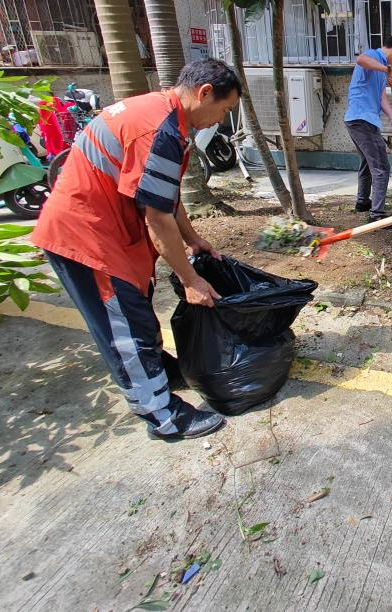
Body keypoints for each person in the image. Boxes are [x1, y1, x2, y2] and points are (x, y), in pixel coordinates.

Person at [32, 60, 242, 442]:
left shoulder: (167, 118)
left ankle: (158, 370)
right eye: (224, 111)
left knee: (137, 310)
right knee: (126, 330)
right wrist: (189, 279)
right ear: (205, 93)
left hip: (110, 231)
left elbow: (166, 196)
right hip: (86, 239)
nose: (218, 121)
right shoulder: (158, 128)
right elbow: (157, 217)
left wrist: (193, 239)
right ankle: (162, 416)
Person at [344, 34, 392, 222]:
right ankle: (377, 215)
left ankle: (363, 202)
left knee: (367, 162)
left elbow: (381, 97)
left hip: (359, 121)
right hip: (361, 120)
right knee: (381, 167)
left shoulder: (380, 69)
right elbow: (361, 60)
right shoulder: (373, 56)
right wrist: (387, 69)